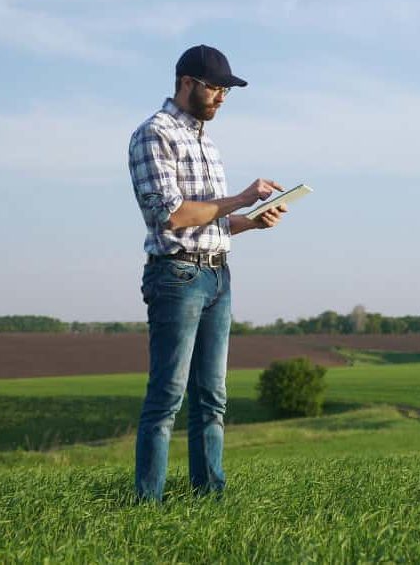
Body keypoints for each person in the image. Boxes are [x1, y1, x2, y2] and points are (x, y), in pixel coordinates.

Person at [127, 44, 286, 502]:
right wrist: (240, 198)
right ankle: (147, 503)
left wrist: (252, 220)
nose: (221, 97)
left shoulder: (205, 142)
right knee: (166, 400)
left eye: (226, 91)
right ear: (186, 83)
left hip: (218, 276)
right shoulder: (154, 134)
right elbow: (170, 216)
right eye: (215, 88)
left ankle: (209, 498)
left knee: (211, 400)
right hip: (176, 278)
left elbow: (209, 218)